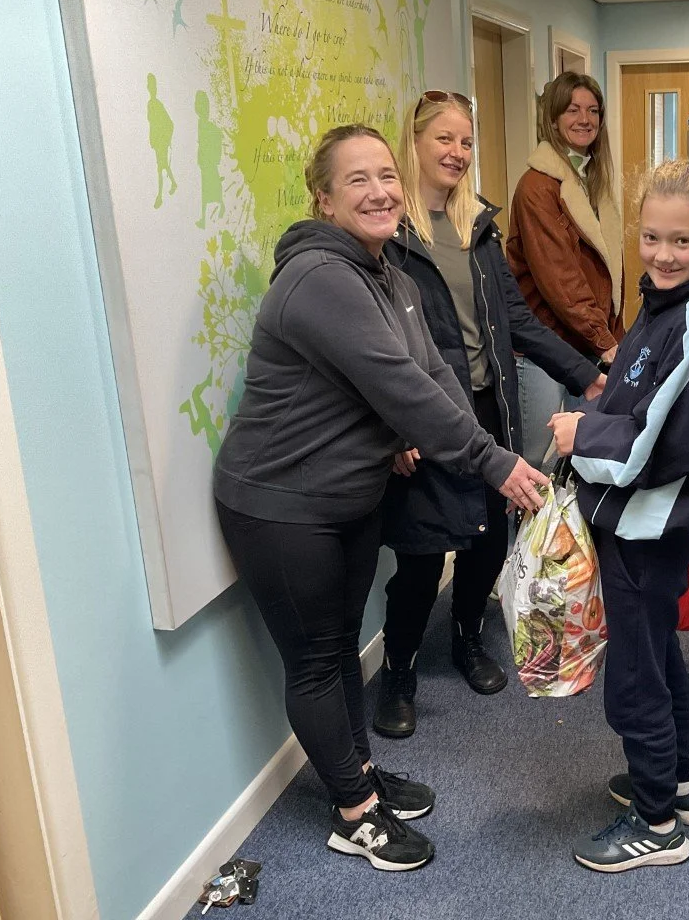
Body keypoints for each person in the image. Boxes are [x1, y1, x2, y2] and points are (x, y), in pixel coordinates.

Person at [213, 124, 548, 872]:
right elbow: (398, 387)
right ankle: (354, 813)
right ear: (324, 199)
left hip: (349, 495)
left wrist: (468, 445)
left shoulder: (390, 276)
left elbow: (432, 375)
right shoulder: (319, 278)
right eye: (357, 180)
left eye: (387, 176)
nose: (379, 191)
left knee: (341, 647)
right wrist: (491, 462)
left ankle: (358, 773)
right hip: (279, 503)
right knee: (315, 659)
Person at [373, 91, 606, 739]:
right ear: (414, 142)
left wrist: (587, 375)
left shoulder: (478, 225)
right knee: (422, 558)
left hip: (486, 408)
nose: (457, 152)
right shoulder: (391, 232)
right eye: (444, 138)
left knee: (485, 542)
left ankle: (468, 637)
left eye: (466, 141)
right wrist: (393, 430)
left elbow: (518, 320)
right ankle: (397, 673)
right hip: (423, 418)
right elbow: (377, 347)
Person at [549, 159, 689, 873]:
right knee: (659, 653)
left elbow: (656, 447)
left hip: (647, 525)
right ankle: (679, 784)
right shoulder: (664, 304)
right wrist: (603, 404)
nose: (663, 255)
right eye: (652, 237)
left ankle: (658, 821)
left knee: (636, 675)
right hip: (637, 524)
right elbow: (641, 399)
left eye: (682, 241)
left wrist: (581, 433)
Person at [508, 72, 625, 466]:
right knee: (533, 463)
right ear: (554, 119)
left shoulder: (593, 182)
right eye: (573, 110)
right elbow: (560, 277)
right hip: (543, 348)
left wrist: (613, 335)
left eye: (593, 110)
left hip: (585, 345)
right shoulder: (537, 187)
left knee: (578, 458)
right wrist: (605, 340)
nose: (584, 119)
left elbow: (607, 273)